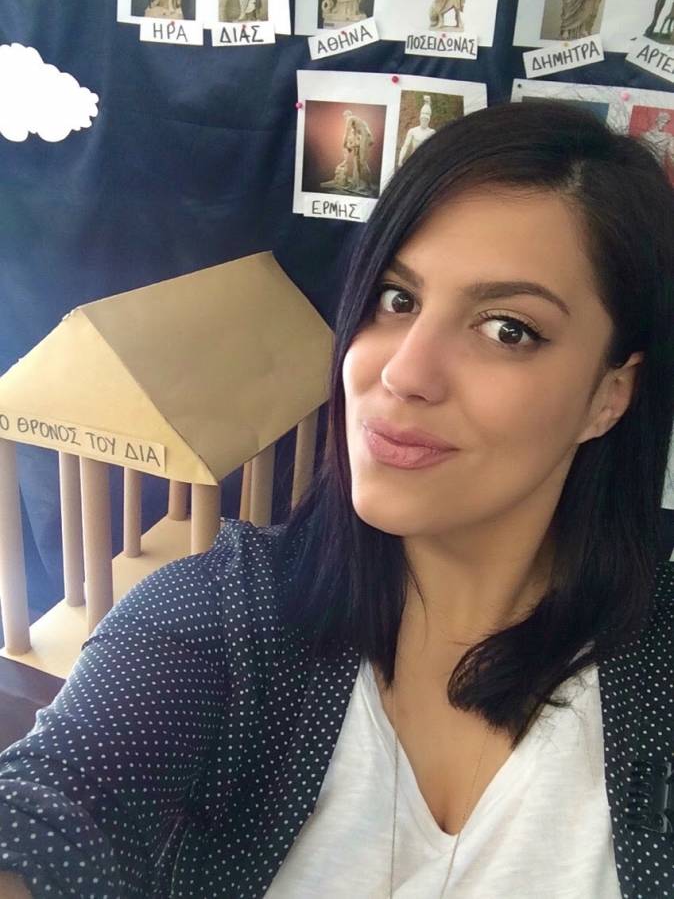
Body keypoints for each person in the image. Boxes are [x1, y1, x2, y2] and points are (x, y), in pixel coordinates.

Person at [0, 99, 673, 898]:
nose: (403, 372)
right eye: (397, 299)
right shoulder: (220, 620)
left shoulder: (653, 672)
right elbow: (52, 807)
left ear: (610, 395)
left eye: (507, 330)